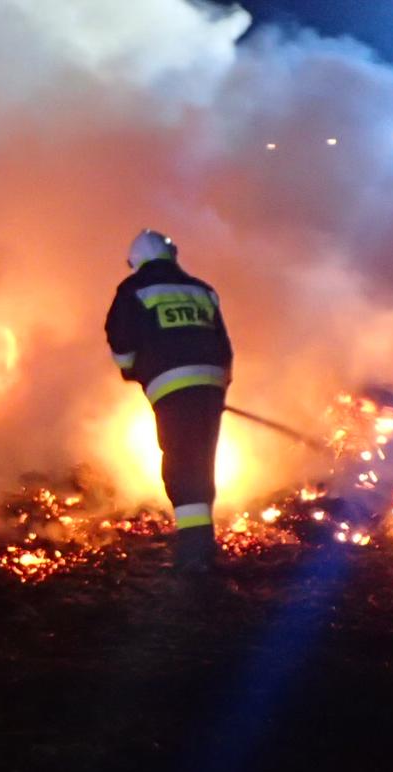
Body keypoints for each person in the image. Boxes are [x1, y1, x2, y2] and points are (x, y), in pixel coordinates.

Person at [104, 230, 233, 573]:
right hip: (211, 383)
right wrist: (217, 386)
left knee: (181, 464)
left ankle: (194, 556)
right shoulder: (202, 290)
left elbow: (121, 341)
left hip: (171, 385)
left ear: (136, 261)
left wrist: (131, 370)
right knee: (201, 461)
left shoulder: (134, 289)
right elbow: (223, 344)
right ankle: (202, 543)